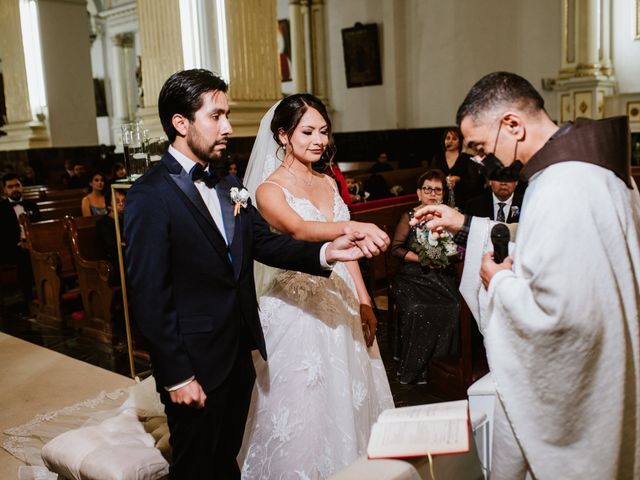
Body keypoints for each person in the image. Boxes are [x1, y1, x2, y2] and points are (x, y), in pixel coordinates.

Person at [123, 70, 385, 479]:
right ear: (181, 123)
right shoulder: (149, 195)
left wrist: (325, 251)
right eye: (216, 116)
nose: (228, 127)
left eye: (226, 115)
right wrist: (176, 376)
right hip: (193, 360)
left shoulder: (228, 183)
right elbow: (149, 296)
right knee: (195, 464)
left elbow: (267, 244)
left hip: (238, 353)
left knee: (227, 458)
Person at [412, 71, 640, 479]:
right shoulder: (595, 168)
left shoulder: (560, 187)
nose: (480, 162)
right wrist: (468, 224)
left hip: (586, 397)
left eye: (481, 147)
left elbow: (559, 319)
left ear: (512, 125)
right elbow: (568, 262)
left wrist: (498, 282)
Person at [239, 94, 394, 478]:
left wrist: (364, 300)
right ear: (282, 136)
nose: (318, 140)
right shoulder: (268, 189)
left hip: (341, 298)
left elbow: (348, 253)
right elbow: (300, 229)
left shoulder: (327, 181)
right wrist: (350, 226)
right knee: (305, 405)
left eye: (323, 131)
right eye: (307, 131)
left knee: (352, 395)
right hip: (297, 307)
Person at [391, 169, 460, 385]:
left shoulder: (450, 217)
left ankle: (440, 367)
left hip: (441, 276)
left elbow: (457, 249)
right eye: (427, 189)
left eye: (437, 190)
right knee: (417, 308)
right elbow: (396, 248)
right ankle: (416, 368)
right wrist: (422, 259)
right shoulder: (409, 217)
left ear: (442, 194)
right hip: (413, 276)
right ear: (419, 193)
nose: (432, 193)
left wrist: (446, 255)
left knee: (455, 305)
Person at [0, 173, 41, 311]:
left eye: (17, 185)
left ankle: (51, 293)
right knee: (23, 255)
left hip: (33, 243)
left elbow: (40, 227)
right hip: (10, 248)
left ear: (22, 186)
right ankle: (29, 297)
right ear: (5, 190)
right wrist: (19, 243)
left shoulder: (32, 205)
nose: (15, 189)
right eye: (10, 187)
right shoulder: (1, 208)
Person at [430, 127, 484, 209]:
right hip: (441, 201)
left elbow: (476, 183)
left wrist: (459, 179)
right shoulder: (438, 157)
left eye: (454, 139)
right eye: (447, 138)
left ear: (460, 142)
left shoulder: (467, 158)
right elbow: (431, 178)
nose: (450, 141)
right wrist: (443, 180)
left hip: (463, 201)